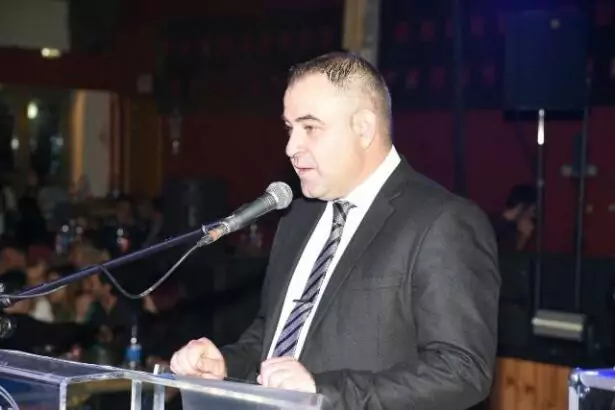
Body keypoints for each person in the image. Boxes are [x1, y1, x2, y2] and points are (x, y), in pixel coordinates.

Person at [170, 52, 500, 409]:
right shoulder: (297, 217)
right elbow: (273, 335)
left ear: (364, 128)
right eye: (290, 128)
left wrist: (324, 391)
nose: (291, 147)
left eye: (310, 128)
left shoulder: (442, 221)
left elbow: (462, 370)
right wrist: (225, 363)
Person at [490, 184, 537, 251]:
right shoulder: (495, 227)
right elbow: (507, 255)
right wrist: (523, 236)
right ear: (523, 207)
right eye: (532, 211)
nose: (532, 215)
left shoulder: (511, 226)